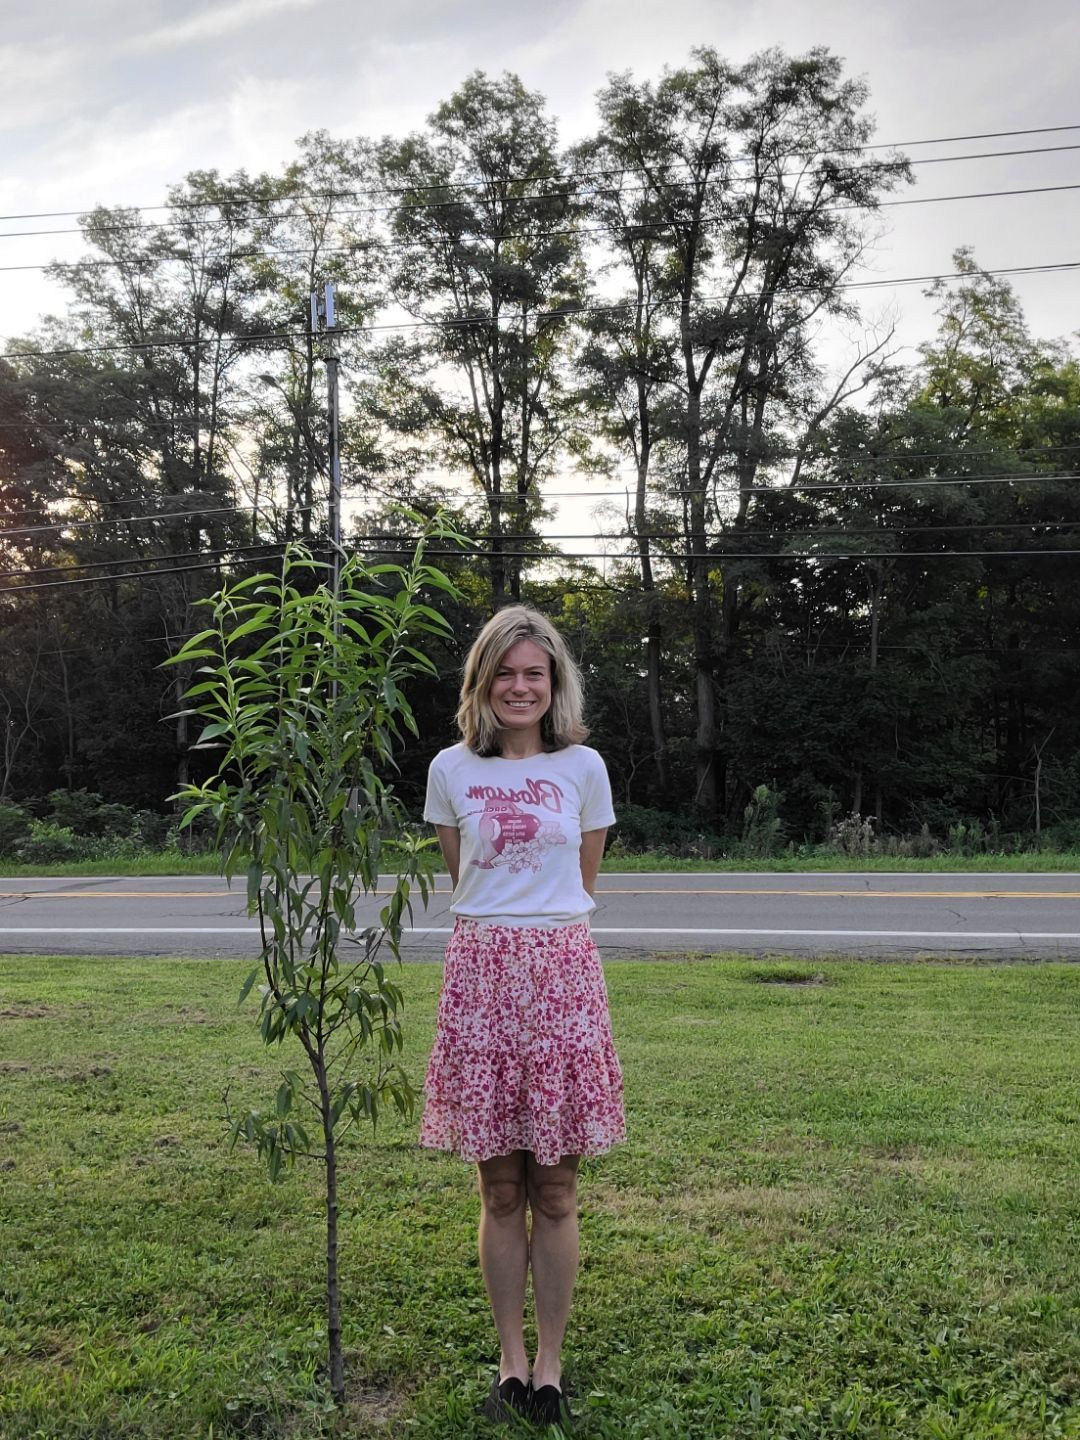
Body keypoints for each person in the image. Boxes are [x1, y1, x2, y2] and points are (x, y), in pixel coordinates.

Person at [420, 605, 626, 1426]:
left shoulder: (584, 768)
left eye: (533, 673)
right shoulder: (450, 771)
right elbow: (464, 878)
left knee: (560, 1188)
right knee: (501, 1187)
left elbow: (580, 882)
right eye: (504, 672)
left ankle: (550, 1360)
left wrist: (539, 940)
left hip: (562, 975)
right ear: (482, 682)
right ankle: (508, 1355)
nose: (519, 686)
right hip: (480, 977)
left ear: (554, 685)